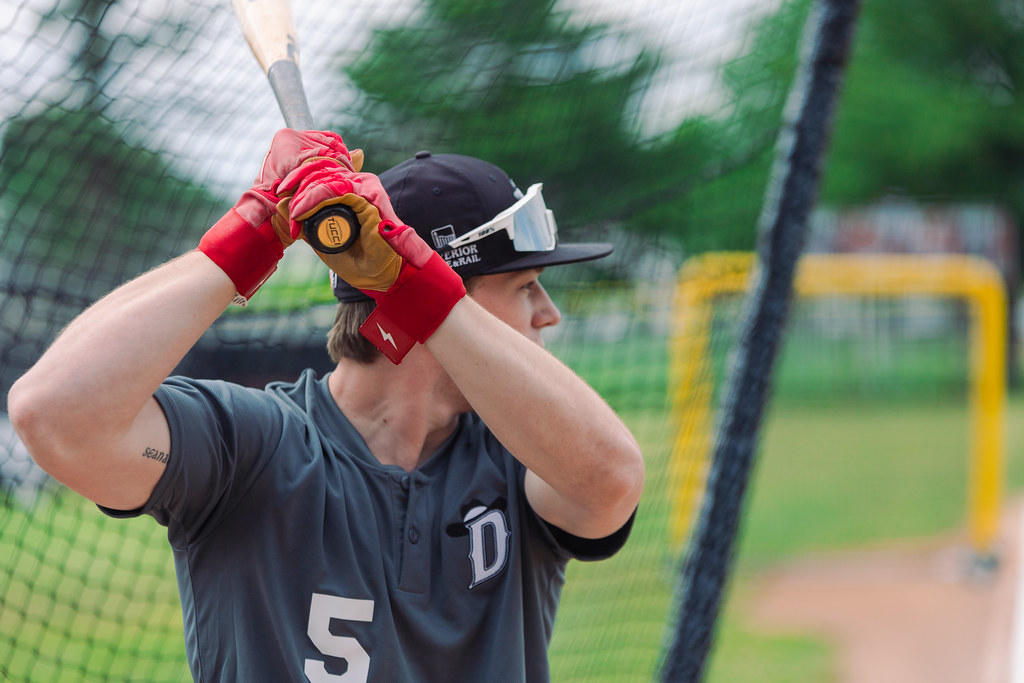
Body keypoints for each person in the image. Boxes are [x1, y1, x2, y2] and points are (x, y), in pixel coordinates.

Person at [7, 129, 644, 682]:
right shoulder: (255, 447)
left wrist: (417, 289)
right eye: (525, 285)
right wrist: (257, 228)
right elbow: (54, 415)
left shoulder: (520, 453)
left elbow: (611, 478)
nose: (548, 313)